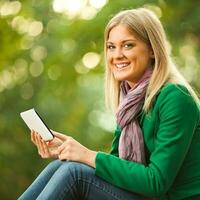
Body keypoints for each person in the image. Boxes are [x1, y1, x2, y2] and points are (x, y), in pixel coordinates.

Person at [18, 7, 200, 200]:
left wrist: (87, 155)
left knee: (74, 173)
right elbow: (117, 167)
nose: (117, 55)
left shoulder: (175, 97)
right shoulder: (130, 103)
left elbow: (156, 181)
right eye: (111, 47)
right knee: (61, 165)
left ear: (153, 50)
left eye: (128, 45)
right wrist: (71, 150)